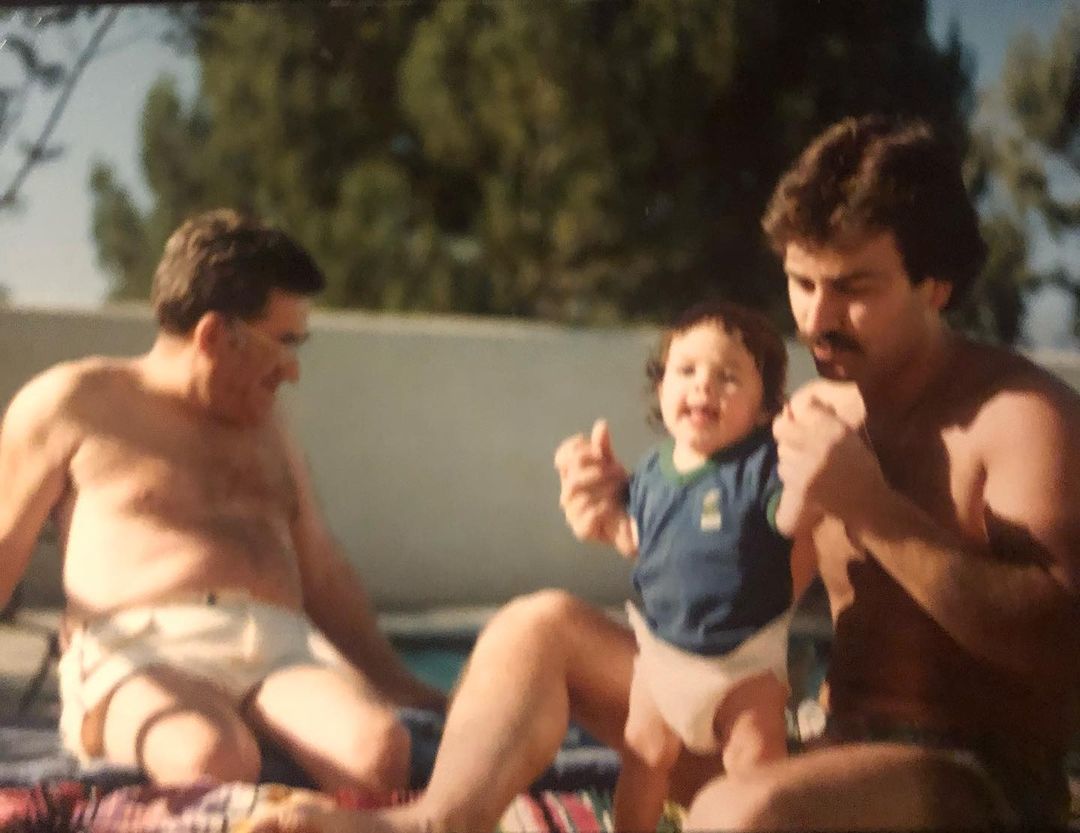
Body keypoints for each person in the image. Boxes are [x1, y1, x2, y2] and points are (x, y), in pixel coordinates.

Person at [250, 114, 1080, 833]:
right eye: (801, 282)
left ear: (936, 285)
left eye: (854, 287)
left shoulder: (1021, 417)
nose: (817, 317)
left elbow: (1062, 646)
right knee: (539, 626)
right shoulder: (821, 414)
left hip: (975, 779)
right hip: (821, 745)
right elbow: (750, 584)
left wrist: (875, 509)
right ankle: (434, 820)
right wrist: (636, 524)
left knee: (736, 814)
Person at [0, 209, 446, 789]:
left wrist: (401, 685)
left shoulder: (272, 429)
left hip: (280, 652)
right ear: (213, 336)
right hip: (140, 653)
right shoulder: (76, 402)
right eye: (284, 344)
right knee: (211, 758)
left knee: (380, 750)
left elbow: (322, 570)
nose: (292, 371)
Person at [600, 300, 811, 832]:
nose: (703, 387)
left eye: (728, 377)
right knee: (643, 756)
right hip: (663, 653)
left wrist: (811, 481)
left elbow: (790, 519)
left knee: (755, 766)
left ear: (765, 408)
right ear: (661, 386)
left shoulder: (761, 465)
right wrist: (606, 505)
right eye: (686, 370)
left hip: (745, 660)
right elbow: (636, 537)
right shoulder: (652, 470)